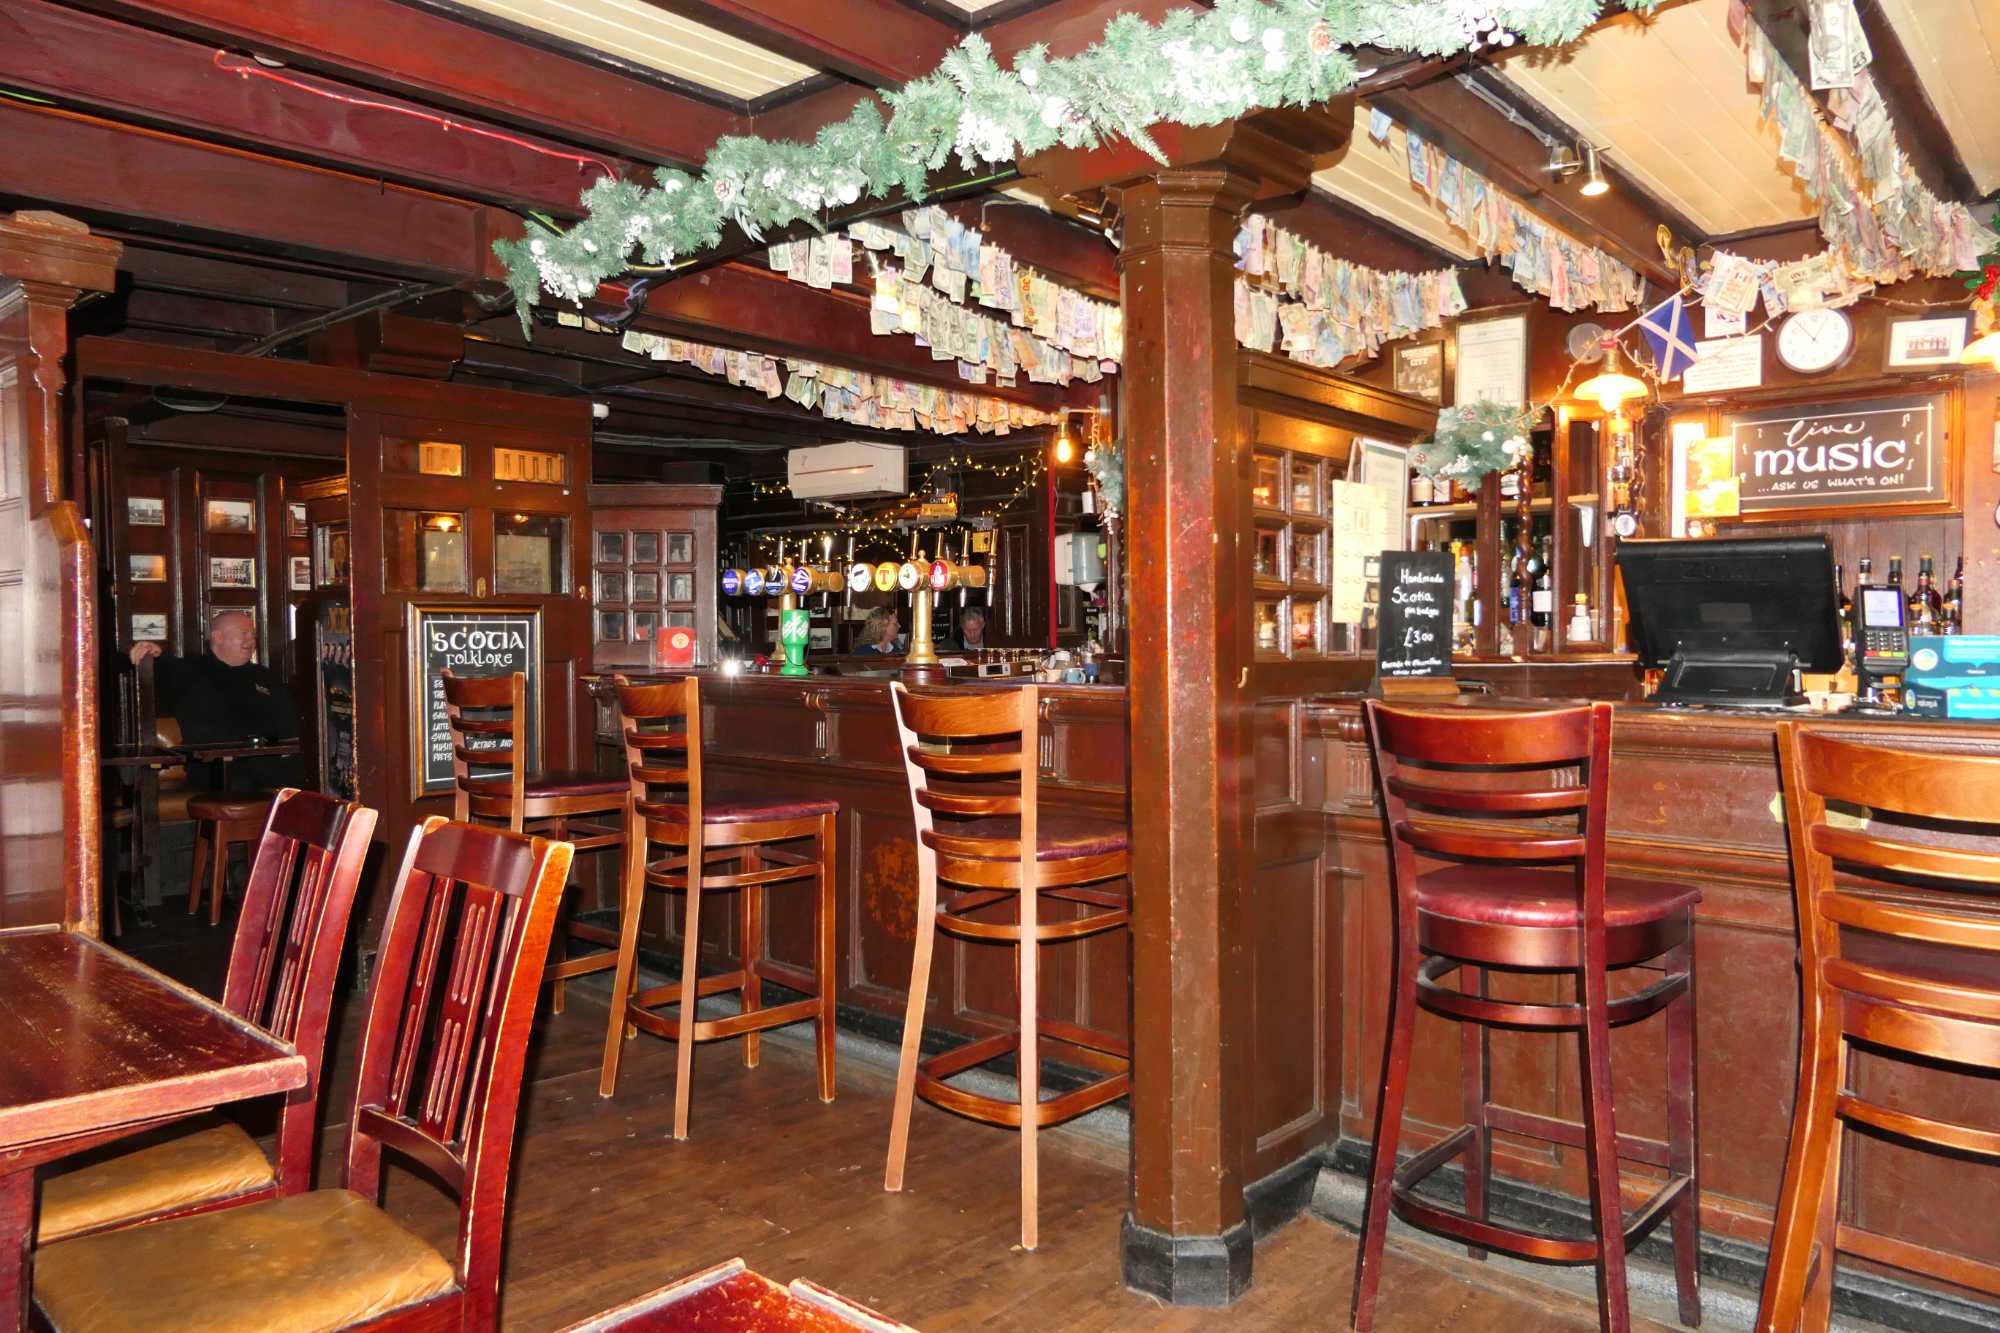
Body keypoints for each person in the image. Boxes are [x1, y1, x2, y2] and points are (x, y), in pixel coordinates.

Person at [131, 611, 303, 791]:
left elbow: (289, 726)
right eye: (244, 634)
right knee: (241, 782)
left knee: (309, 777)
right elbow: (154, 667)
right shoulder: (189, 671)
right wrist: (150, 653)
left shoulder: (265, 677)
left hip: (267, 762)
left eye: (252, 635)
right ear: (218, 637)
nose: (251, 641)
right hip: (214, 767)